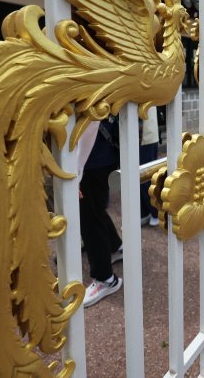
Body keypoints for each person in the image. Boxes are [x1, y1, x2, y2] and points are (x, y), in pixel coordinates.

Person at [80, 115, 124, 307]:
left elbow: (92, 119)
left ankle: (105, 278)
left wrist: (77, 168)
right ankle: (114, 245)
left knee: (89, 217)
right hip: (100, 153)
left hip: (92, 157)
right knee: (94, 210)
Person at [139, 107, 160, 227]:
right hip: (139, 134)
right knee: (137, 176)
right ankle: (144, 211)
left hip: (146, 135)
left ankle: (155, 212)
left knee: (147, 176)